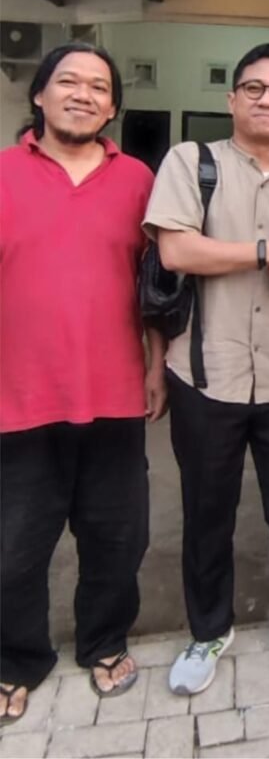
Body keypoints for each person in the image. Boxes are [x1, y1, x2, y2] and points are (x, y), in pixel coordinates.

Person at [143, 43, 269, 694]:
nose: (267, 100)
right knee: (207, 513)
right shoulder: (189, 163)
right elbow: (176, 250)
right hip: (206, 374)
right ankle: (207, 632)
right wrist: (266, 251)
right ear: (231, 100)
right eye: (254, 88)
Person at [0, 44, 165, 724]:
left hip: (114, 393)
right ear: (39, 95)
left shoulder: (139, 180)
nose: (83, 94)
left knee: (117, 537)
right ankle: (16, 660)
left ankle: (103, 642)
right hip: (18, 396)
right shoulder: (3, 172)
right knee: (14, 546)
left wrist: (155, 364)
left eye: (99, 86)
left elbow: (158, 286)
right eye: (68, 81)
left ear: (113, 106)